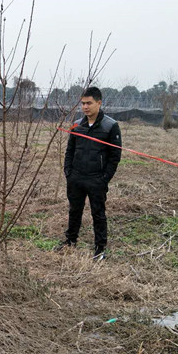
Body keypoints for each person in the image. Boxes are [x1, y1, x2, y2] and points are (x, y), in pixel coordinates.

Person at [60, 87, 122, 261]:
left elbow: (114, 157)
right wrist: (68, 172)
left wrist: (104, 178)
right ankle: (70, 241)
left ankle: (100, 248)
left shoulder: (110, 126)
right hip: (76, 177)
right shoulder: (77, 125)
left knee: (98, 214)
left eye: (89, 103)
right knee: (74, 210)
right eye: (83, 103)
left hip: (97, 179)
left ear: (99, 103)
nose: (85, 107)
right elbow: (69, 151)